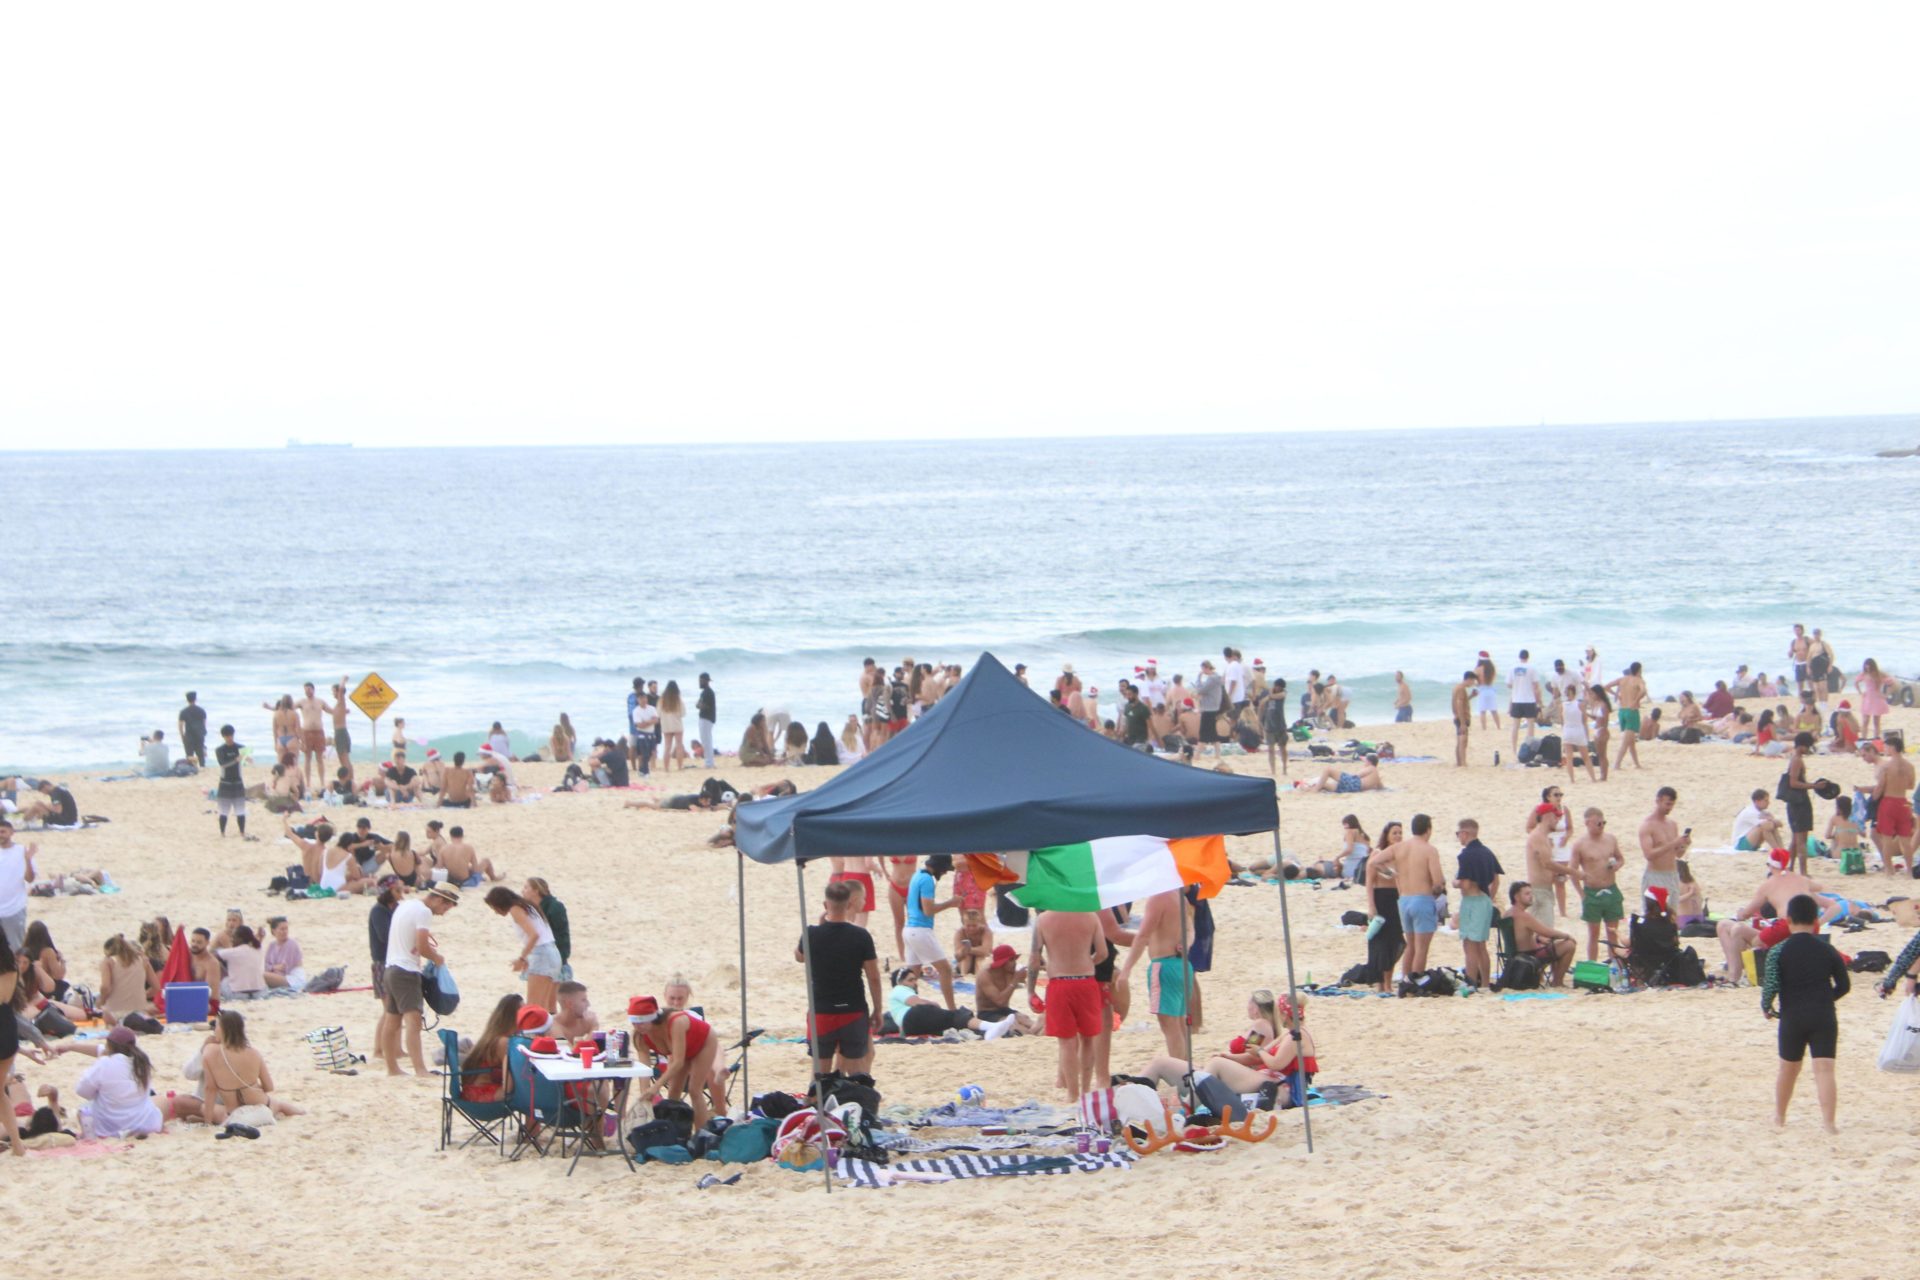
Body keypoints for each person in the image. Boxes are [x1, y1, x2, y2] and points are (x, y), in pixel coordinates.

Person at [1762, 893, 1848, 1132]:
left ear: (1788, 920)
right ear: (1816, 921)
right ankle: (1829, 1123)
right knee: (1824, 1069)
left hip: (1792, 1016)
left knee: (1788, 1069)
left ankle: (1779, 1117)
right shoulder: (1827, 949)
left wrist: (1767, 1007)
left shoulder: (1779, 951)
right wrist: (1825, 999)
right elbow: (1845, 985)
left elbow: (1770, 985)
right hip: (1823, 1016)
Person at [796, 880, 883, 1075]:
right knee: (856, 1074)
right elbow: (874, 977)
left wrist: (820, 926)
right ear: (850, 904)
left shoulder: (811, 934)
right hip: (852, 1009)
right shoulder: (861, 936)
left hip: (821, 1011)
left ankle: (818, 1103)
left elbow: (799, 956)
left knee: (819, 1077)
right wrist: (878, 1008)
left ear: (826, 905)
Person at [381, 883, 460, 1077]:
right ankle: (420, 1069)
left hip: (390, 968)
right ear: (440, 899)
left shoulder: (406, 905)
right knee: (413, 1021)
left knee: (391, 1021)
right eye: (445, 907)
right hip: (406, 971)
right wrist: (437, 958)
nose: (443, 913)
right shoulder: (424, 912)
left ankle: (392, 1068)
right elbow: (422, 947)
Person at [629, 995, 726, 1129]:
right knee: (673, 1094)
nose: (638, 1027)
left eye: (641, 1022)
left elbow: (678, 1062)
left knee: (694, 1090)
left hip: (703, 1042)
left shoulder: (675, 1022)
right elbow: (645, 1069)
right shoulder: (640, 1036)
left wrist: (656, 1086)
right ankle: (673, 1135)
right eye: (634, 1023)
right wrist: (646, 1092)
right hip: (681, 1050)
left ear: (652, 1018)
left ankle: (701, 1135)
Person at [1118, 889, 1193, 1056]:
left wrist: (1126, 969)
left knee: (1169, 1025)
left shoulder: (1158, 899)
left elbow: (1143, 936)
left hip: (1163, 966)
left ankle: (1180, 1071)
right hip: (1182, 964)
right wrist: (1186, 944)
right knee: (1179, 1021)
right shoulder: (1180, 896)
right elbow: (1190, 929)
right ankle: (1187, 1068)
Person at [199, 1010, 305, 1124]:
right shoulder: (254, 1053)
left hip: (233, 1114)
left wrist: (207, 1123)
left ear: (224, 1029)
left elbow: (210, 1089)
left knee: (204, 1107)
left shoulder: (210, 1052)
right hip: (263, 1107)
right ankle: (303, 1114)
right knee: (279, 1104)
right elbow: (269, 1087)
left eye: (217, 1026)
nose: (215, 1030)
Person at [484, 886, 561, 1012]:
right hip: (552, 953)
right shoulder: (528, 907)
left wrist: (522, 958)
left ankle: (534, 1032)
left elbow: (534, 935)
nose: (495, 911)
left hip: (541, 954)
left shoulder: (515, 909)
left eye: (494, 907)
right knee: (544, 1007)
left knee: (533, 1007)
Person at [900, 855, 961, 1009]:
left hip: (909, 930)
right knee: (945, 970)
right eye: (945, 870)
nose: (945, 873)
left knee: (911, 974)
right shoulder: (927, 880)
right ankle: (952, 1009)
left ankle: (907, 1008)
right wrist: (951, 903)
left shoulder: (917, 875)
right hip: (921, 931)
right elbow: (928, 910)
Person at [1568, 807, 1625, 961]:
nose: (1601, 826)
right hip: (1592, 892)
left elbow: (1620, 858)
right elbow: (1572, 871)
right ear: (1588, 823)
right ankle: (1592, 965)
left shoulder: (1610, 839)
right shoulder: (1580, 844)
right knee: (1594, 934)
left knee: (1613, 932)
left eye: (1603, 823)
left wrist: (1617, 866)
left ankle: (1616, 966)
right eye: (1598, 823)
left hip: (1611, 889)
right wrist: (1581, 894)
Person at [1453, 819, 1503, 988]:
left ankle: (1472, 982)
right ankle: (1485, 983)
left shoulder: (1465, 855)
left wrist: (1455, 883)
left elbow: (1465, 884)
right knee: (1481, 944)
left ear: (1465, 833)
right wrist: (1490, 897)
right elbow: (1496, 880)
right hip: (1485, 900)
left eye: (1458, 833)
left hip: (1471, 900)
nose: (1458, 837)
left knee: (1470, 944)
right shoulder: (1487, 852)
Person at [461, 994, 526, 1102]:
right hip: (483, 1093)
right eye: (523, 1013)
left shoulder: (491, 1036)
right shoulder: (503, 1042)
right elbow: (510, 1082)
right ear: (513, 1017)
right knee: (529, 1094)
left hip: (470, 1091)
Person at [1507, 882, 1575, 987]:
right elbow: (1547, 932)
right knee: (1569, 945)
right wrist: (1566, 936)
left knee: (1550, 944)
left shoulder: (1508, 913)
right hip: (1531, 956)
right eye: (1527, 894)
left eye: (1531, 893)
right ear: (1516, 897)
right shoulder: (1523, 916)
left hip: (1515, 956)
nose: (1531, 897)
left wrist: (1538, 937)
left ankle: (1549, 978)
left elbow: (1521, 934)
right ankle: (1557, 982)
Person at [1365, 823, 1405, 993]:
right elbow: (1369, 882)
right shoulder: (1378, 854)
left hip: (1396, 900)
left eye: (1400, 833)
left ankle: (1387, 981)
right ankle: (1383, 984)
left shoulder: (1399, 854)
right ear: (1387, 835)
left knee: (1397, 942)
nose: (1397, 836)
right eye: (1394, 833)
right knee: (1382, 943)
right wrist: (1371, 906)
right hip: (1381, 899)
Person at [1871, 733, 1916, 875]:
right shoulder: (1910, 766)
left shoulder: (1886, 767)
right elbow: (1910, 786)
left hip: (1889, 802)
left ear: (1892, 748)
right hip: (1903, 802)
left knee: (1887, 839)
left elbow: (1880, 786)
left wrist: (1873, 799)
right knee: (1906, 840)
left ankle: (1889, 870)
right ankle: (1909, 871)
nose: (1884, 749)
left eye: (1886, 746)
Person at [1638, 786, 1691, 905]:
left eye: (1672, 804)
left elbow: (1678, 854)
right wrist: (1672, 843)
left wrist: (1684, 845)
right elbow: (1649, 855)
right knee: (1655, 917)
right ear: (1658, 801)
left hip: (1672, 875)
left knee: (1672, 918)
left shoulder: (1672, 824)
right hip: (1655, 876)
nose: (1670, 808)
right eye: (1667, 804)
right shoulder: (1647, 825)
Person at [1781, 732, 1822, 874]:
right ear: (1803, 745)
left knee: (1796, 837)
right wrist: (1813, 786)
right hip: (1799, 802)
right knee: (1801, 839)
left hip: (1797, 802)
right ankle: (1803, 871)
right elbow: (1793, 782)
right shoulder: (1797, 760)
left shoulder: (1795, 758)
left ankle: (1790, 868)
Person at [98, 934, 157, 1026]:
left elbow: (105, 987)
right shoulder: (143, 960)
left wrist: (101, 1002)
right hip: (140, 1013)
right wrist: (140, 995)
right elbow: (156, 987)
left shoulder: (108, 962)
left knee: (104, 1012)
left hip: (115, 1013)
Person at [523, 877, 571, 981]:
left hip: (553, 959)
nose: (523, 891)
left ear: (536, 891)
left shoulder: (555, 907)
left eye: (526, 888)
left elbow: (561, 936)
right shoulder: (531, 909)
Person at [0, 821, 36, 952]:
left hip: (14, 909)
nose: (1, 835)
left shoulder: (21, 851)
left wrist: (28, 860)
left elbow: (30, 878)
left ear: (12, 833)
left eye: (3, 831)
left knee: (17, 949)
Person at [214, 724, 250, 839]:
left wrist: (247, 758)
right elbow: (223, 764)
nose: (229, 738)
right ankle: (222, 833)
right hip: (225, 782)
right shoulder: (220, 750)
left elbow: (247, 762)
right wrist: (236, 759)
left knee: (240, 810)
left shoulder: (241, 747)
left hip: (238, 781)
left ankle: (242, 832)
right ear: (223, 737)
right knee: (224, 810)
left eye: (231, 735)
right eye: (227, 736)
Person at [438, 827, 505, 887]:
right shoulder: (468, 847)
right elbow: (475, 869)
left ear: (450, 836)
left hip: (450, 882)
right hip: (466, 882)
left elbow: (440, 868)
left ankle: (484, 878)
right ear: (462, 835)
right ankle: (494, 878)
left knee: (467, 867)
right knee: (486, 861)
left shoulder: (443, 849)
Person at [1296, 754, 1382, 794]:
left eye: (1366, 760)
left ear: (1370, 762)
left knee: (1328, 770)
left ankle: (1313, 790)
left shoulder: (1371, 768)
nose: (1364, 762)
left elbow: (1356, 776)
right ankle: (1308, 789)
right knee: (1323, 784)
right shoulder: (1377, 777)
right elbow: (1381, 787)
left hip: (1354, 783)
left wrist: (1341, 777)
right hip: (1354, 789)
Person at [1855, 658, 1892, 739]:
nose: (1867, 668)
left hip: (1877, 697)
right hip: (1868, 697)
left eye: (1869, 666)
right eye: (1866, 666)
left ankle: (1876, 737)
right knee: (1865, 720)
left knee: (1876, 721)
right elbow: (1856, 682)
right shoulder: (1864, 674)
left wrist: (1886, 694)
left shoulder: (1879, 674)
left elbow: (1890, 682)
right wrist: (1860, 692)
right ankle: (1863, 737)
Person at [263, 917, 304, 989]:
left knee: (262, 975)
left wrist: (271, 969)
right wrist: (273, 967)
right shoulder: (271, 945)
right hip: (276, 975)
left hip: (292, 978)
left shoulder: (291, 944)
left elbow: (284, 968)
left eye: (286, 929)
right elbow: (266, 965)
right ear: (273, 931)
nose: (285, 932)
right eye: (282, 929)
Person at [1451, 670, 1476, 767]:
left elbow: (1462, 702)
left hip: (1458, 716)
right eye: (1473, 681)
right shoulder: (1461, 689)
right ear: (1469, 679)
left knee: (1460, 740)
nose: (1473, 683)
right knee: (1463, 740)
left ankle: (1459, 762)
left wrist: (1471, 696)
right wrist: (1462, 723)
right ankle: (1463, 762)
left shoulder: (1457, 687)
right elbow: (1459, 704)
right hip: (1461, 717)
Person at [177, 691, 208, 768]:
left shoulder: (183, 711)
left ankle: (191, 768)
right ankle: (202, 767)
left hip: (189, 735)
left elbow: (180, 725)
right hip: (199, 735)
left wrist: (182, 736)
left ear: (187, 700)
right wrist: (203, 733)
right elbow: (204, 724)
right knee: (201, 755)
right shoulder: (201, 710)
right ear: (195, 699)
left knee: (189, 755)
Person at [695, 673, 717, 769]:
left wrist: (699, 705)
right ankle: (709, 762)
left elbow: (702, 705)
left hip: (706, 718)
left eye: (700, 681)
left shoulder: (707, 693)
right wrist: (699, 704)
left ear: (705, 681)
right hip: (708, 718)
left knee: (706, 741)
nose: (699, 683)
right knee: (707, 740)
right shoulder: (707, 692)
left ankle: (709, 763)